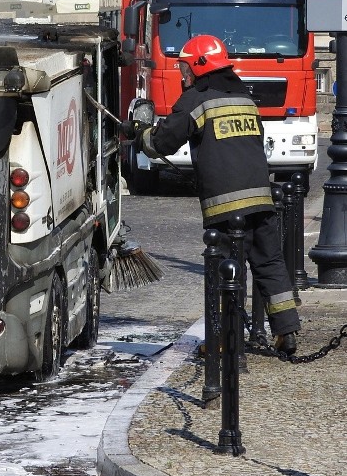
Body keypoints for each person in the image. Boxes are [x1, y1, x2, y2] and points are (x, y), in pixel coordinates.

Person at [127, 35, 301, 354]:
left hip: (226, 204)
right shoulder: (244, 98)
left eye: (184, 67)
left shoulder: (197, 99)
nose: (182, 74)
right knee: (270, 263)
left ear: (197, 67)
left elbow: (163, 143)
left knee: (226, 272)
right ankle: (286, 332)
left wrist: (139, 135)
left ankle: (224, 340)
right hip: (262, 198)